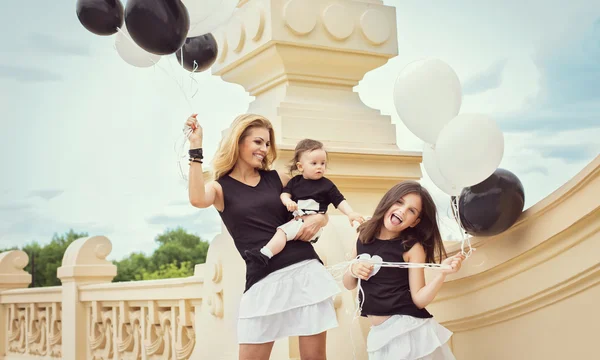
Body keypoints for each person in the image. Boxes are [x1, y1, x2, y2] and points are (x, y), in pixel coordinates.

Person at [185, 113, 340, 360]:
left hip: (304, 271)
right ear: (239, 142)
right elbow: (196, 199)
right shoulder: (220, 188)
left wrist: (321, 218)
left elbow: (320, 205)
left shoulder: (278, 178)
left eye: (267, 144)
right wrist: (195, 147)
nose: (264, 149)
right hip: (262, 278)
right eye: (258, 142)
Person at [342, 181, 465, 360]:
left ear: (415, 222)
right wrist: (353, 269)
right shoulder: (362, 236)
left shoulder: (411, 248)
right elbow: (348, 284)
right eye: (399, 202)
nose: (402, 211)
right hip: (378, 334)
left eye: (411, 211)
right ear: (389, 201)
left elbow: (419, 299)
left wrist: (442, 274)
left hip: (406, 330)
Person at [245, 138, 365, 268]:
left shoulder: (327, 185)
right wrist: (288, 201)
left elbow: (339, 200)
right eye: (314, 163)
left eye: (323, 163)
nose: (319, 167)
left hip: (311, 224)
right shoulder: (295, 182)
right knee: (285, 233)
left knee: (282, 232)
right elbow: (285, 194)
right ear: (300, 166)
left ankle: (264, 254)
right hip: (299, 220)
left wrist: (350, 213)